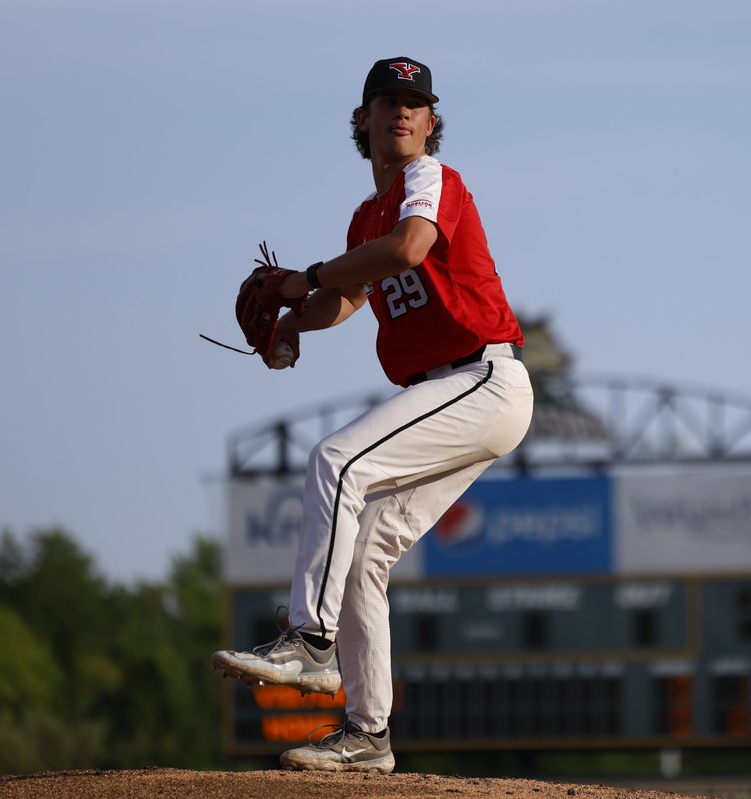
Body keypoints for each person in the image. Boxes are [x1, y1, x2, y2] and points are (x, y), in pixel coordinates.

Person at [212, 57, 533, 773]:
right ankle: (368, 735)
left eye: (415, 103)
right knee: (361, 561)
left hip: (482, 377)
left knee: (336, 459)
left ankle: (309, 641)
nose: (403, 112)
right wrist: (295, 322)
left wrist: (309, 278)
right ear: (362, 119)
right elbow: (346, 299)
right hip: (455, 392)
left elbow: (410, 250)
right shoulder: (366, 216)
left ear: (431, 120)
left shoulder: (431, 181)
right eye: (387, 100)